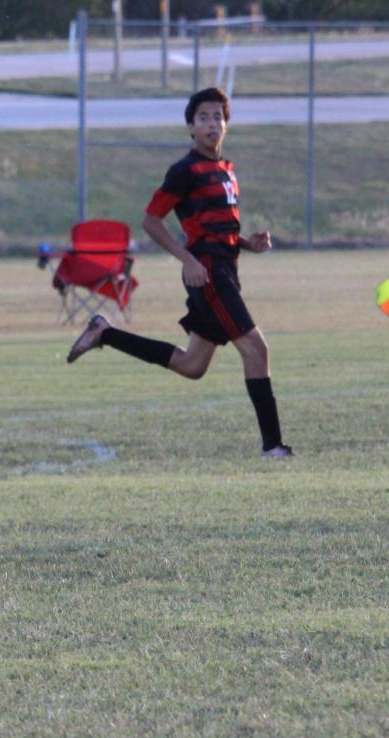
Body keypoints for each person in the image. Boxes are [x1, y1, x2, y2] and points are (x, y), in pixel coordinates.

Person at [65, 87, 293, 459]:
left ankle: (105, 333)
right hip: (208, 274)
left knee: (192, 366)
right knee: (256, 348)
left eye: (218, 116)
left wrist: (250, 243)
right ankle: (273, 447)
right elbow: (151, 220)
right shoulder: (184, 171)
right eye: (203, 117)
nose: (212, 124)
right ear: (190, 126)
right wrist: (187, 260)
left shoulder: (226, 170)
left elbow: (223, 234)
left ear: (227, 124)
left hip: (224, 271)